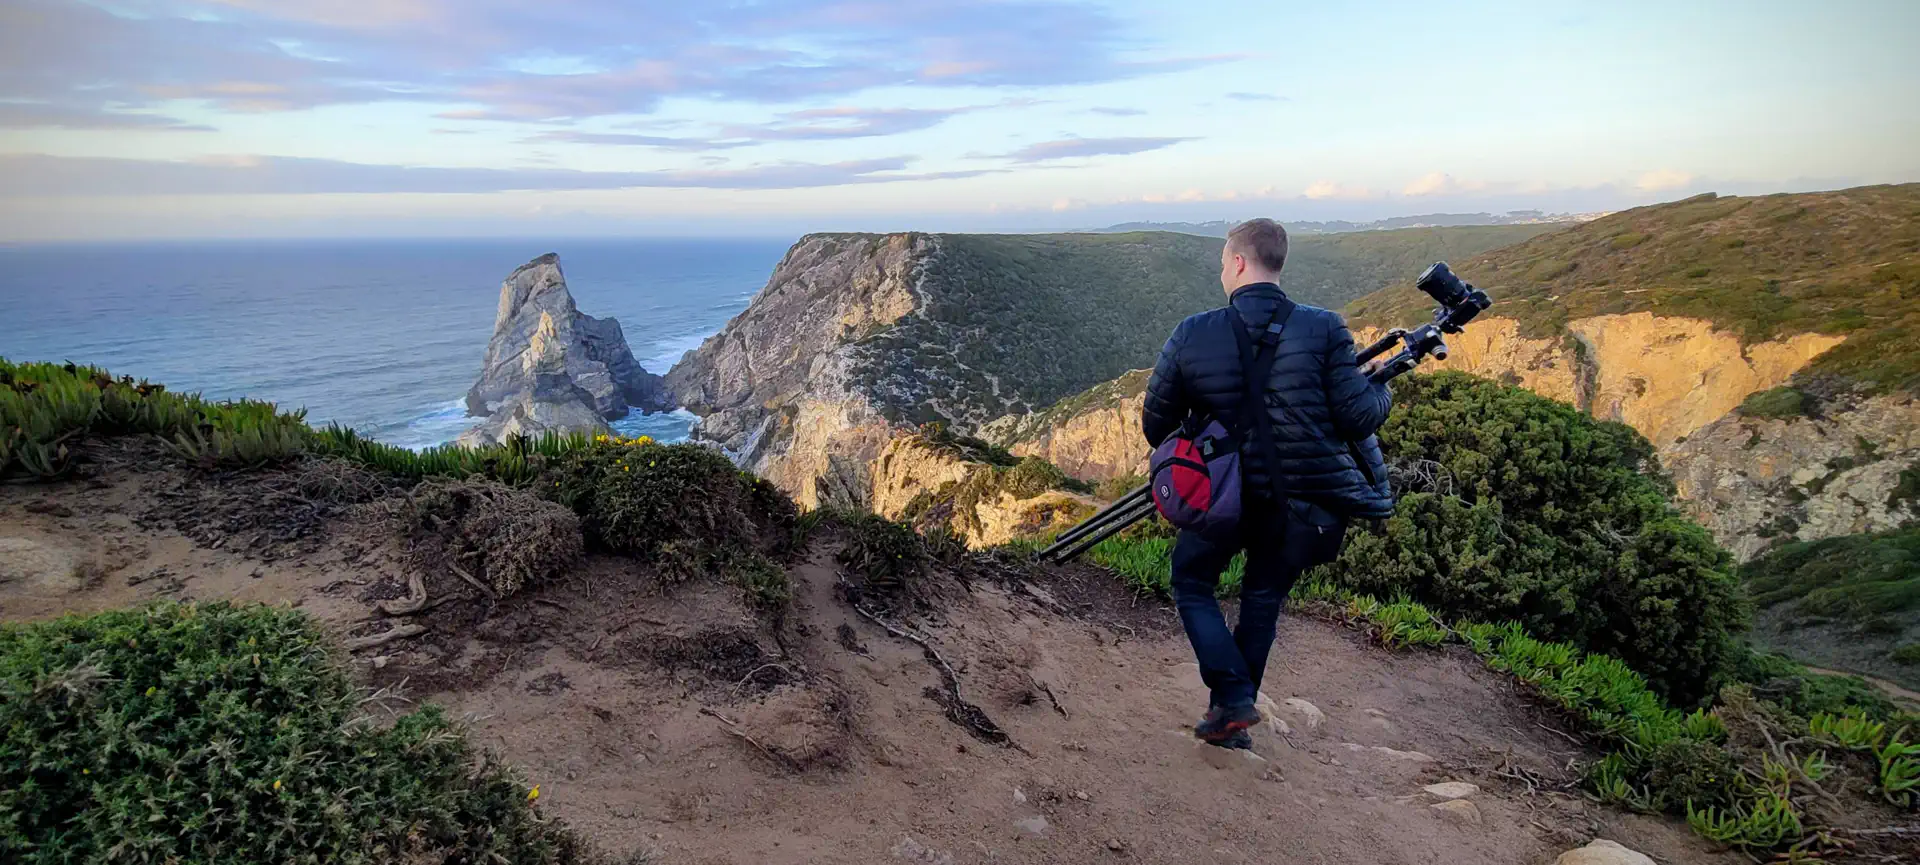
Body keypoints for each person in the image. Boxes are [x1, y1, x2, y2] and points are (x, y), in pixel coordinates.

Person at [1141, 218, 1394, 748]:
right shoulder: (1325, 327)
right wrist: (1382, 388)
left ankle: (1233, 699)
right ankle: (1231, 717)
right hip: (1300, 501)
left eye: (1222, 263)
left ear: (1237, 262)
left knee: (1191, 581)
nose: (1222, 272)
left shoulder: (1194, 331)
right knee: (1262, 599)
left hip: (1221, 498)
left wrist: (1205, 437)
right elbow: (1358, 417)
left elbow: (1156, 423)